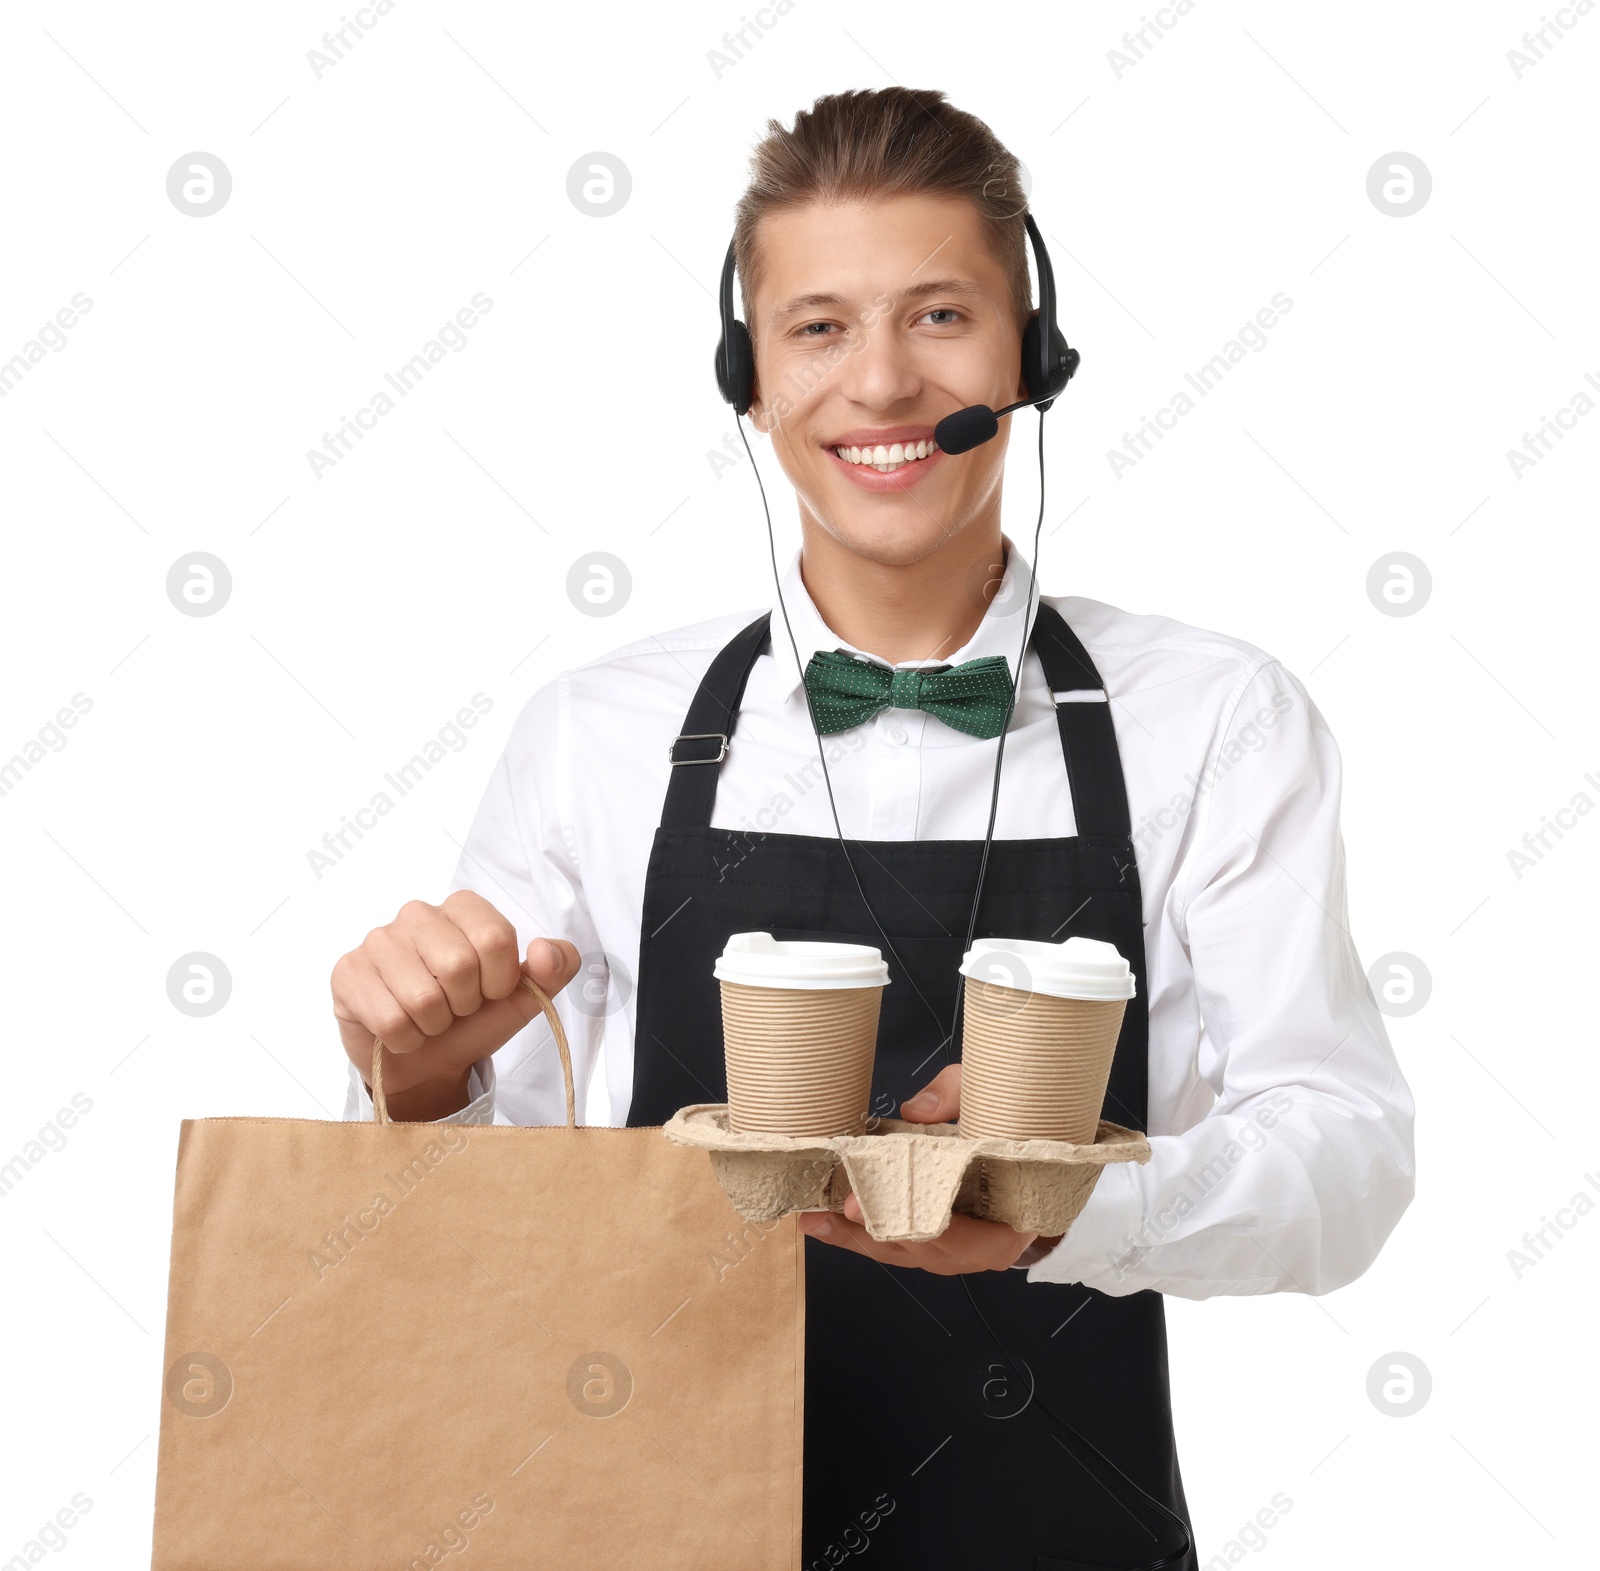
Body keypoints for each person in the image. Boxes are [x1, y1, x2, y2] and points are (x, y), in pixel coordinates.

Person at [332, 87, 1414, 1570]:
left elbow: (1346, 1162)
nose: (885, 385)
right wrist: (417, 1088)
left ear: (1028, 355)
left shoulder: (1215, 718)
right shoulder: (597, 731)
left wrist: (1068, 1207)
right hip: (648, 1524)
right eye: (819, 327)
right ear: (751, 378)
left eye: (942, 316)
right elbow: (483, 1221)